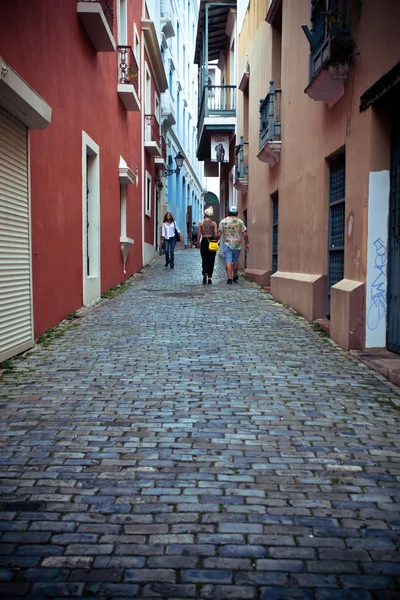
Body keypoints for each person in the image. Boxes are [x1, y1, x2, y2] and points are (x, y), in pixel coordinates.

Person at [218, 205, 249, 284]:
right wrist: (247, 243)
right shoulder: (240, 222)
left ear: (229, 212)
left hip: (227, 244)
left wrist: (216, 240)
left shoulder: (223, 221)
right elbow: (245, 234)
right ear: (236, 213)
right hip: (237, 245)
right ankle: (235, 276)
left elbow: (219, 234)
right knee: (235, 261)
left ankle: (229, 278)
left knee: (228, 261)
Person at [197, 207, 218, 284]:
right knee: (211, 259)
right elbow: (215, 234)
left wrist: (198, 242)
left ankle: (204, 272)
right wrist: (216, 239)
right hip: (212, 241)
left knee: (204, 258)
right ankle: (209, 277)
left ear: (205, 214)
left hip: (204, 241)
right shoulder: (214, 223)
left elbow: (199, 234)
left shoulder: (201, 223)